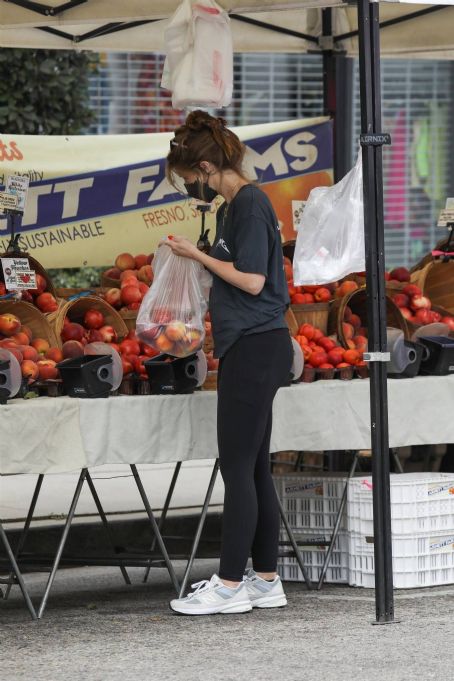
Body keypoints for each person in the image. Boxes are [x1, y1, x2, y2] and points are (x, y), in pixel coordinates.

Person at [165, 110, 293, 616]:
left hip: (256, 346)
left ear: (205, 166)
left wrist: (197, 259)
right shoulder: (231, 207)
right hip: (255, 344)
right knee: (255, 466)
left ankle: (230, 583)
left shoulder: (250, 205)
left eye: (189, 179)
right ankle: (264, 579)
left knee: (236, 467)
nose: (191, 188)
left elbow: (254, 280)